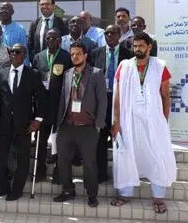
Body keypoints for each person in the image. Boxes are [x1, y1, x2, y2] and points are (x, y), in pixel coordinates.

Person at [110, 32, 177, 214]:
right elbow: (117, 98)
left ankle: (158, 197)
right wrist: (116, 122)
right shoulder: (124, 66)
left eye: (141, 46)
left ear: (149, 47)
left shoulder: (160, 66)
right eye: (135, 46)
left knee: (157, 155)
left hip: (153, 122)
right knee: (126, 154)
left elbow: (165, 97)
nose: (137, 49)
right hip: (128, 120)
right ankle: (125, 192)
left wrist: (163, 121)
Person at [52, 41, 107, 208]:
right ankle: (68, 189)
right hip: (67, 125)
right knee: (62, 160)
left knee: (89, 162)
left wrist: (98, 125)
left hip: (87, 127)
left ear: (85, 56)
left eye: (78, 54)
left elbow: (102, 101)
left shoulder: (96, 74)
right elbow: (62, 99)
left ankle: (92, 194)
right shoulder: (68, 73)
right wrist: (58, 124)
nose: (74, 57)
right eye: (72, 54)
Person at [0, 44, 45, 201]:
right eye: (12, 52)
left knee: (22, 158)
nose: (14, 54)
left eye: (18, 52)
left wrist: (37, 120)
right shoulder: (0, 74)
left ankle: (17, 190)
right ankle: (3, 186)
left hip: (24, 124)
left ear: (24, 54)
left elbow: (41, 98)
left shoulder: (33, 74)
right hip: (3, 124)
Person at [90, 25, 133, 183]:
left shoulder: (128, 55)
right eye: (106, 33)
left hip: (121, 102)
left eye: (112, 33)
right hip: (101, 101)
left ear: (119, 35)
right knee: (100, 139)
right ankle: (101, 174)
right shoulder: (96, 53)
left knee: (121, 138)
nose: (109, 35)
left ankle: (123, 175)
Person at [31, 28, 72, 182]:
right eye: (48, 38)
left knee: (58, 139)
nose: (50, 41)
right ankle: (40, 170)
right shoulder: (38, 57)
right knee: (41, 139)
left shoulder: (66, 57)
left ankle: (58, 170)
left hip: (59, 105)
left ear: (60, 41)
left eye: (54, 38)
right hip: (42, 106)